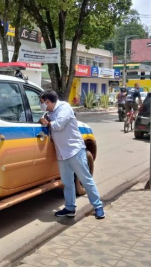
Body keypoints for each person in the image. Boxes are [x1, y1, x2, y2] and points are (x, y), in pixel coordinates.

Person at [38, 90, 105, 219]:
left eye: (42, 103)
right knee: (67, 182)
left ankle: (98, 206)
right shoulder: (49, 112)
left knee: (85, 179)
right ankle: (70, 208)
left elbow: (58, 125)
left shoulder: (64, 108)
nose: (42, 105)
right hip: (62, 153)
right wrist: (45, 120)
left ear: (47, 101)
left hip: (74, 151)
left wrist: (47, 122)